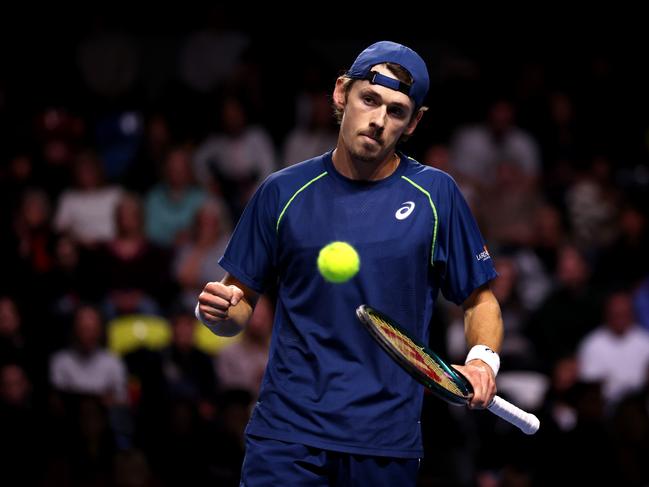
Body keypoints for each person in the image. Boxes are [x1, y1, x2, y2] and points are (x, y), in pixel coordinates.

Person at [196, 40, 503, 486]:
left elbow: (480, 300)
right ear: (342, 94)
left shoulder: (436, 196)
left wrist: (481, 360)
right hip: (287, 434)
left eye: (397, 111)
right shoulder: (282, 192)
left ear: (414, 122)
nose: (379, 120)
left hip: (385, 440)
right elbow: (238, 307)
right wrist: (222, 312)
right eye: (370, 99)